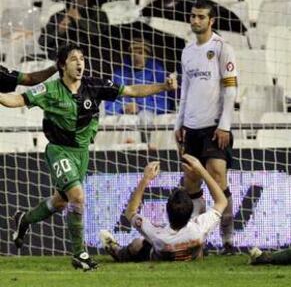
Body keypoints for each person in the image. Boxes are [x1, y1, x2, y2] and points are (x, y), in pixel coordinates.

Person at [0, 43, 177, 271]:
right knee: (78, 197)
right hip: (59, 150)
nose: (80, 63)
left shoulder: (95, 86)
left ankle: (24, 219)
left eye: (82, 58)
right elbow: (16, 101)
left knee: (61, 201)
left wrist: (163, 86)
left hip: (82, 154)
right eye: (74, 59)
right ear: (63, 65)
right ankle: (80, 254)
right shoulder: (50, 90)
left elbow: (131, 91)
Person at [174, 0, 238, 254]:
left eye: (201, 17)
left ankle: (228, 241)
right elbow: (185, 91)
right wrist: (179, 124)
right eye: (193, 16)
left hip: (214, 126)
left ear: (211, 21)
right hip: (191, 126)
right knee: (191, 182)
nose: (195, 21)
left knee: (218, 175)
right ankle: (196, 238)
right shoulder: (187, 51)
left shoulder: (223, 48)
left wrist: (225, 126)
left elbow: (231, 90)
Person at [99, 154, 227, 262]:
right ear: (191, 215)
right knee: (199, 244)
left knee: (138, 243)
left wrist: (145, 179)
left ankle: (118, 252)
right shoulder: (199, 228)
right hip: (192, 251)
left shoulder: (156, 233)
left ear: (167, 211)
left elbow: (130, 212)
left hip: (160, 253)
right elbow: (221, 201)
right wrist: (201, 170)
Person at [105, 38, 172, 142]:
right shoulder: (119, 74)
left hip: (147, 114)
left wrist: (140, 107)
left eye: (141, 52)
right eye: (133, 52)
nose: (137, 56)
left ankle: (147, 150)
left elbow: (164, 104)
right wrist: (123, 108)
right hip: (123, 116)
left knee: (145, 118)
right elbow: (108, 105)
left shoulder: (157, 71)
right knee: (126, 120)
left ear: (147, 55)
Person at [38, 0, 110, 78]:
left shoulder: (98, 14)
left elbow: (101, 37)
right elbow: (42, 43)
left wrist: (79, 19)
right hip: (58, 62)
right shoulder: (58, 16)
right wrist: (59, 31)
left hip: (89, 63)